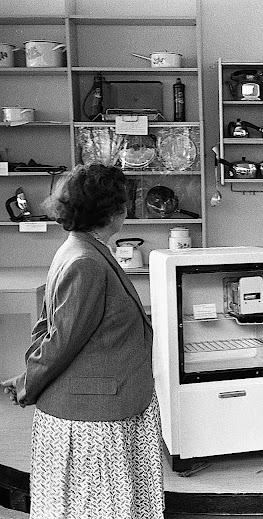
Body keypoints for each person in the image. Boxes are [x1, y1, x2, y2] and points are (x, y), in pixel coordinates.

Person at [1, 163, 164, 519]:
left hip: (98, 406)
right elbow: (61, 341)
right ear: (112, 211)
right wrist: (28, 384)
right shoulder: (87, 262)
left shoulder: (80, 248)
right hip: (95, 418)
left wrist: (27, 378)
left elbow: (56, 330)